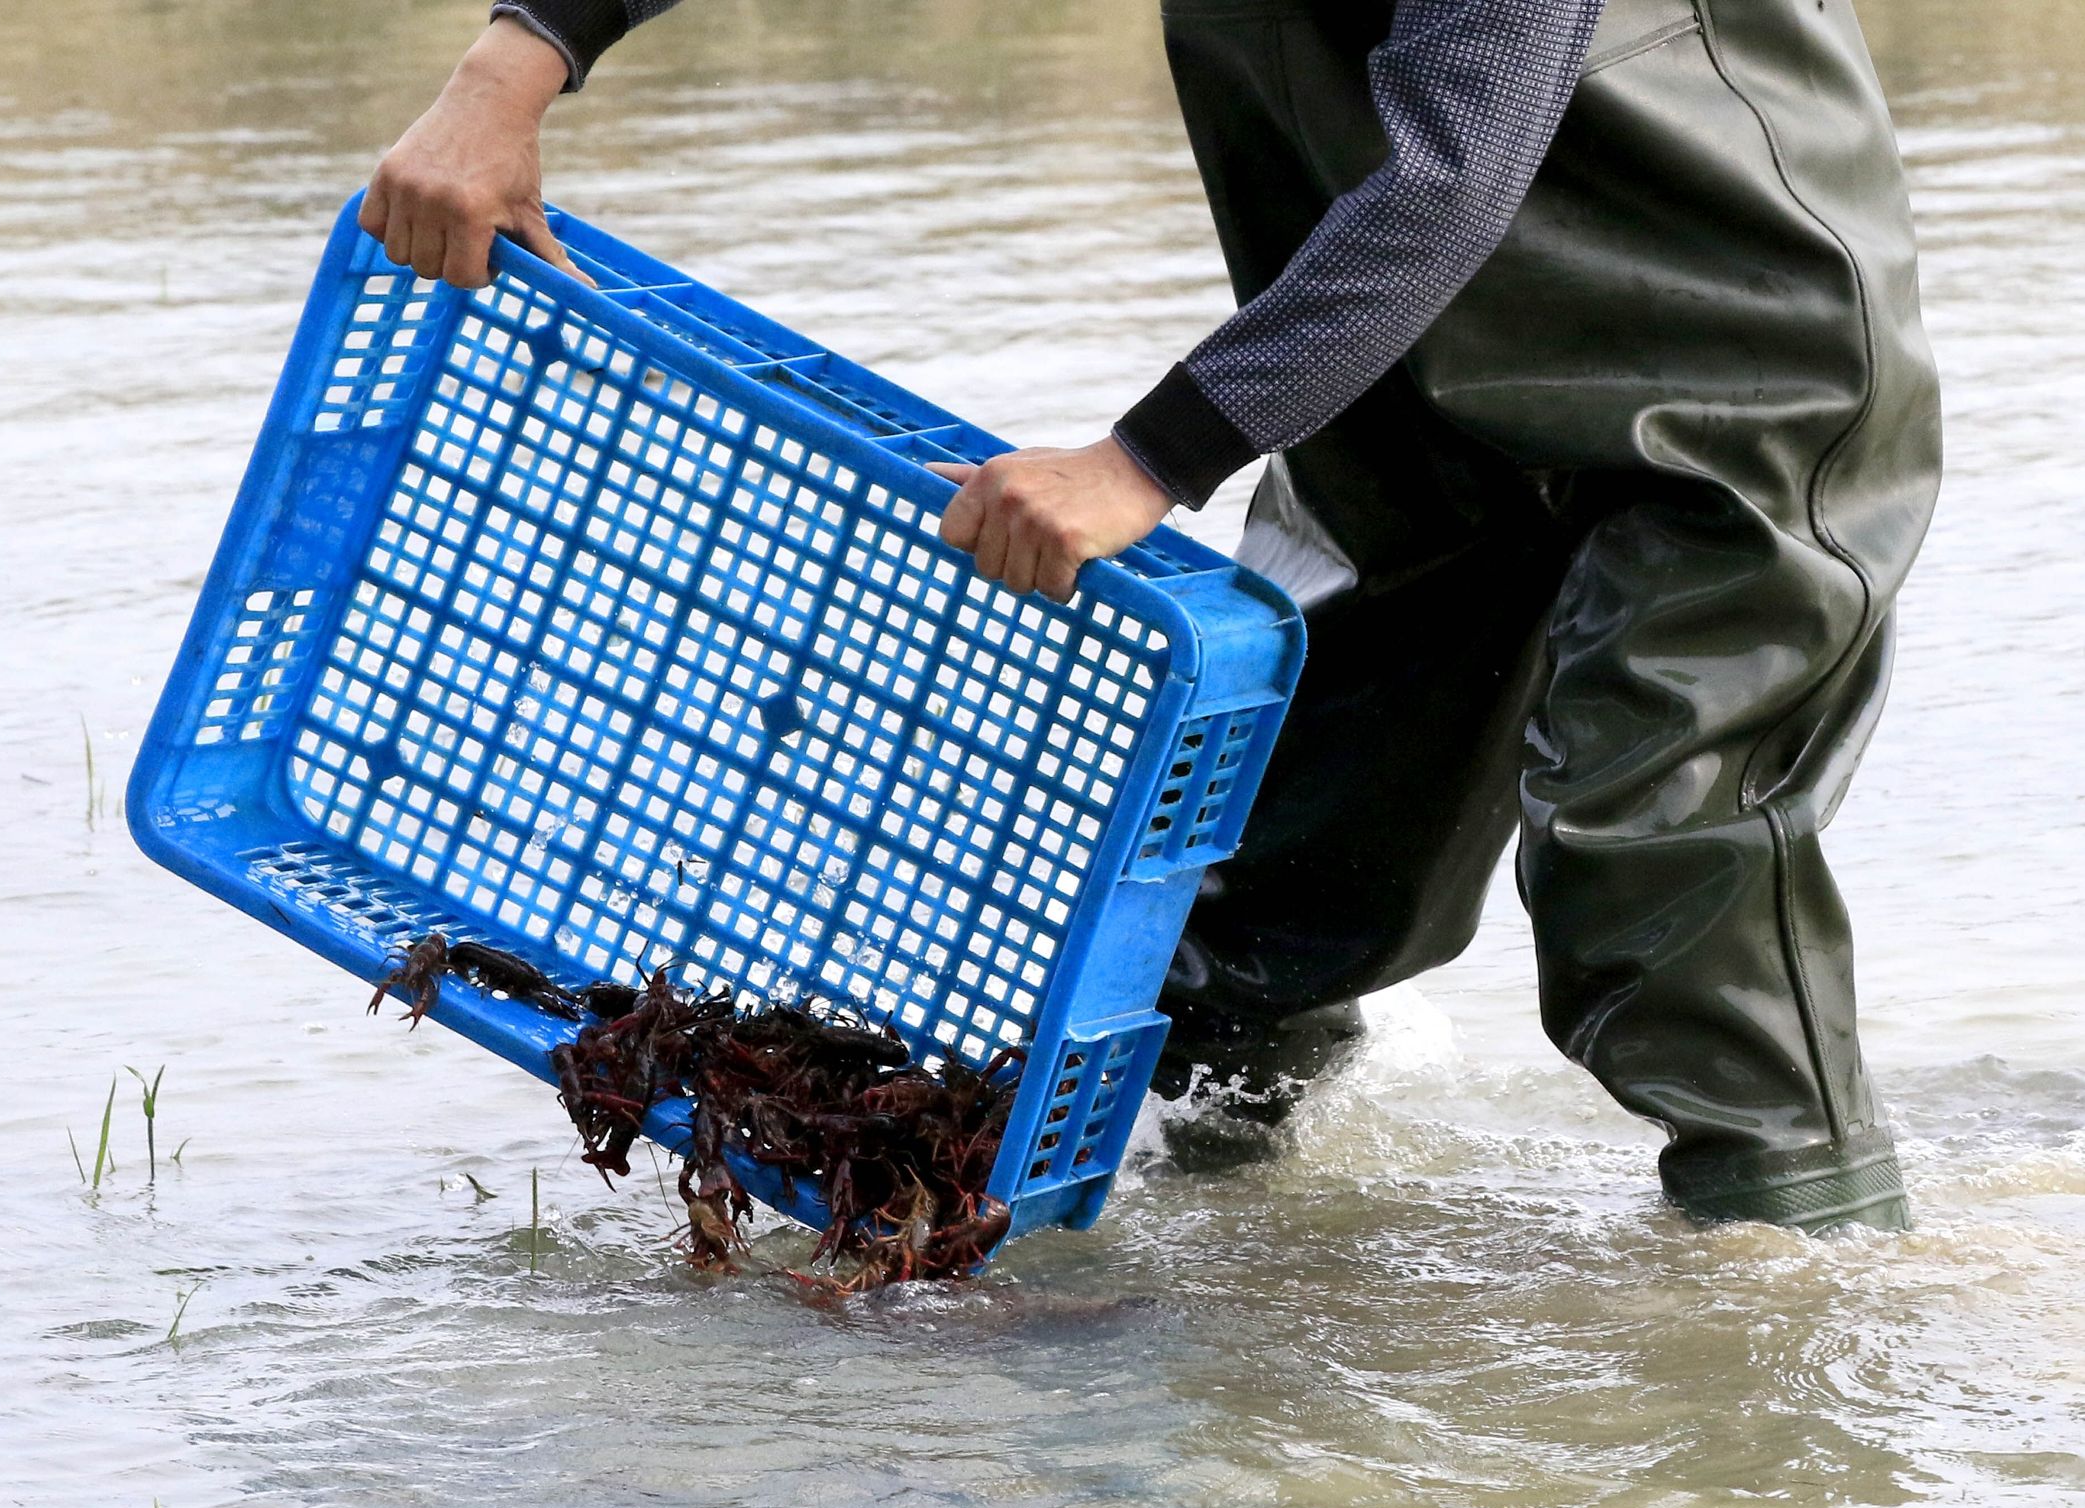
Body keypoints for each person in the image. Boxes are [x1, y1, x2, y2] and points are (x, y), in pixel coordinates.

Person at [361, 0, 1941, 1233]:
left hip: (1725, 385)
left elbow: (1452, 169)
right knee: (1276, 891)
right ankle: (1214, 1245)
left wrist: (1147, 461)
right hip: (1411, 405)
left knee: (1655, 851)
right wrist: (516, 62)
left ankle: (1795, 1297)